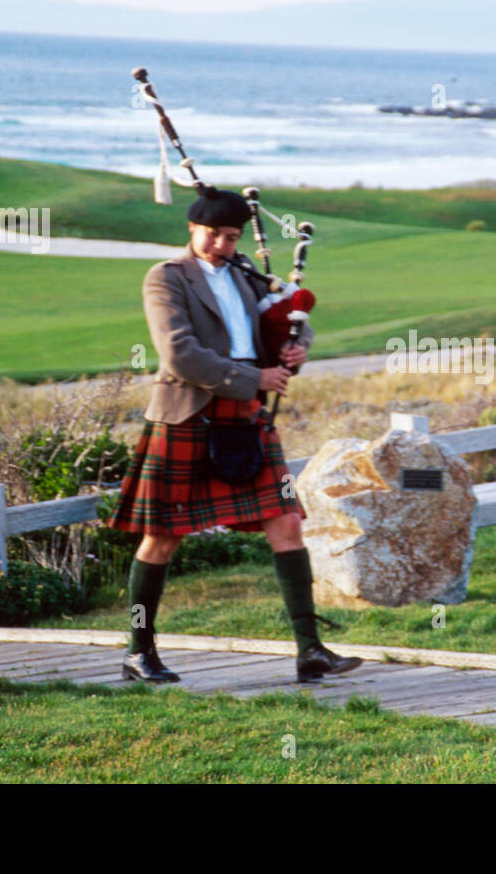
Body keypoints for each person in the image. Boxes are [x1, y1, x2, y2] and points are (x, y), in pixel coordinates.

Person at [107, 186, 362, 685]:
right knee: (161, 538)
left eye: (231, 236)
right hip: (187, 417)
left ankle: (311, 650)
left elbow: (291, 317)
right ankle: (138, 651)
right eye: (213, 235)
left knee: (287, 521)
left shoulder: (246, 273)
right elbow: (178, 353)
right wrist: (255, 378)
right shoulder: (166, 278)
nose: (222, 246)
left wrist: (294, 349)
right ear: (191, 228)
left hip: (246, 418)